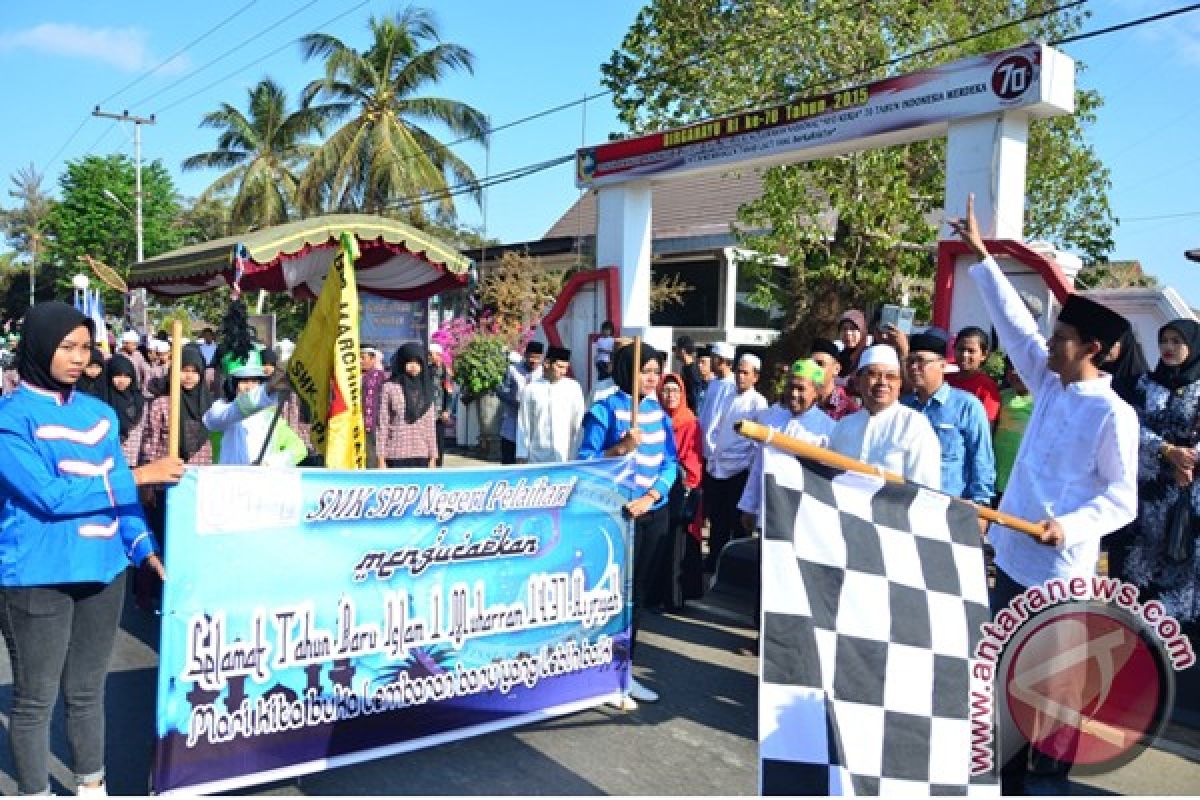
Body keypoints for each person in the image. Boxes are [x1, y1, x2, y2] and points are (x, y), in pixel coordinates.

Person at [949, 195, 1138, 794]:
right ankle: (1002, 778)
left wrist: (1070, 527)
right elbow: (1013, 323)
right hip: (1012, 559)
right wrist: (982, 255)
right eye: (1053, 337)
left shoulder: (1114, 414)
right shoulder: (1051, 385)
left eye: (1063, 339)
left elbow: (1122, 498)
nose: (1049, 345)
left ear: (1096, 350)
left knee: (1048, 688)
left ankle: (1047, 780)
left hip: (1059, 570)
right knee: (1006, 679)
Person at [0, 301, 183, 797]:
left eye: (85, 347)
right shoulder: (10, 418)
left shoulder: (99, 414)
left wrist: (144, 547)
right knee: (36, 700)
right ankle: (34, 792)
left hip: (105, 571)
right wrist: (141, 475)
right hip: (38, 575)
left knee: (86, 692)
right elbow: (48, 496)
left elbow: (120, 498)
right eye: (67, 347)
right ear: (38, 348)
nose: (79, 358)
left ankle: (91, 786)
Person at [577, 342, 678, 709]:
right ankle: (603, 673)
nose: (651, 378)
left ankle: (624, 671)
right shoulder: (604, 410)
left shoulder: (659, 414)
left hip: (652, 512)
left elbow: (670, 463)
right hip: (615, 518)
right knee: (613, 598)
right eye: (644, 371)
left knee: (637, 599)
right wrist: (620, 448)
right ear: (626, 372)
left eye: (655, 371)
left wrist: (651, 496)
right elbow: (585, 463)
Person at [1124, 319, 1200, 624]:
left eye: (1176, 341)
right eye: (1164, 340)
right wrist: (1166, 450)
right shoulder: (1145, 384)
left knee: (1184, 555)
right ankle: (1140, 630)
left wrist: (1189, 460)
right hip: (1151, 485)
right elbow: (1131, 426)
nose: (1168, 348)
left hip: (1190, 486)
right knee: (1145, 554)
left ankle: (1183, 637)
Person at [901, 330, 996, 506]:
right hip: (907, 501)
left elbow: (981, 457)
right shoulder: (903, 407)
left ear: (942, 365)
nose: (914, 368)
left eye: (921, 362)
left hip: (950, 504)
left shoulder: (967, 406)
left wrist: (981, 504)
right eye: (910, 361)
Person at [738, 359, 835, 527]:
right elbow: (759, 466)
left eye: (801, 388)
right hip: (768, 513)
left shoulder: (828, 430)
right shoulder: (771, 420)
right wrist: (749, 506)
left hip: (805, 518)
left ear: (816, 392)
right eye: (791, 387)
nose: (794, 394)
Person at [829, 344, 941, 487]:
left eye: (891, 376)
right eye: (873, 374)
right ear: (858, 381)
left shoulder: (914, 425)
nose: (882, 382)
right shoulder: (844, 426)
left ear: (900, 383)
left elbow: (924, 489)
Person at [701, 352, 767, 572]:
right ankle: (714, 563)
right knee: (717, 520)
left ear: (755, 377)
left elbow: (757, 442)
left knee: (737, 523)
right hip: (718, 467)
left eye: (745, 373)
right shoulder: (727, 395)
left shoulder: (759, 403)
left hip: (740, 471)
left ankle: (736, 569)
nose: (740, 376)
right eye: (739, 371)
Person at [202, 350, 307, 467]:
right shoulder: (218, 411)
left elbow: (299, 449)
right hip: (227, 483)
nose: (250, 387)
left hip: (261, 482)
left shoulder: (271, 418)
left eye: (254, 381)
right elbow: (237, 409)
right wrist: (267, 390)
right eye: (244, 381)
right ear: (231, 384)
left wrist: (269, 463)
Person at [656, 372, 704, 607]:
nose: (670, 395)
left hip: (680, 488)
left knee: (677, 544)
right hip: (656, 487)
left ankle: (674, 598)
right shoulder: (654, 419)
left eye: (675, 391)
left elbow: (694, 459)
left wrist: (688, 485)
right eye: (666, 390)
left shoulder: (690, 423)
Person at [516, 345, 585, 464]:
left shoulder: (573, 388)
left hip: (565, 456)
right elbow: (524, 424)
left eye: (566, 368)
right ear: (547, 363)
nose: (563, 372)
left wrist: (578, 453)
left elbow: (579, 422)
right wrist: (521, 454)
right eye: (560, 367)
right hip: (537, 456)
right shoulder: (531, 389)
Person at [376, 342, 439, 468]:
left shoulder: (427, 390)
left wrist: (433, 456)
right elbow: (382, 424)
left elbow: (430, 426)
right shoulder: (389, 388)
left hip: (422, 454)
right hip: (395, 454)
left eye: (418, 362)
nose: (414, 366)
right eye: (409, 361)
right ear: (401, 363)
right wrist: (380, 457)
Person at [993, 357, 1033, 499]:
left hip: (1023, 474)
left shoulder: (1040, 401)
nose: (1014, 372)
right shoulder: (1000, 396)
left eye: (1020, 368)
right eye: (1011, 368)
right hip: (998, 470)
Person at [498, 341, 544, 465]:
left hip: (534, 428)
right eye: (531, 357)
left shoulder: (543, 373)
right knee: (509, 463)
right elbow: (501, 391)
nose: (533, 361)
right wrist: (515, 402)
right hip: (512, 425)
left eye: (537, 358)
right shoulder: (513, 370)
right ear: (525, 355)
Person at [946, 325, 1002, 424]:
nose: (965, 355)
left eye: (971, 351)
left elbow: (986, 424)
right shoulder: (945, 380)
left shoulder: (987, 387)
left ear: (983, 355)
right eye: (961, 349)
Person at [100, 353, 146, 468]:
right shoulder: (101, 401)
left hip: (132, 460)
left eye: (126, 376)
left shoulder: (138, 401)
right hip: (105, 459)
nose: (122, 380)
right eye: (117, 376)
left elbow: (143, 432)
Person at [808, 337, 860, 420]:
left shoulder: (848, 409)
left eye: (820, 364)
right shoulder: (801, 400)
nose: (814, 369)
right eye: (810, 364)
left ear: (836, 369)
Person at [1101, 327, 1150, 409]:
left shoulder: (1142, 381)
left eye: (1112, 342)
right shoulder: (1098, 371)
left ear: (1124, 344)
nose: (1105, 346)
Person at [360, 345, 388, 468]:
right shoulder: (356, 376)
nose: (359, 361)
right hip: (356, 423)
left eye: (363, 357)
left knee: (371, 458)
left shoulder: (379, 376)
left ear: (372, 359)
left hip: (372, 424)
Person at [429, 343, 455, 467]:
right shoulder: (426, 368)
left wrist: (447, 410)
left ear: (438, 355)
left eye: (431, 354)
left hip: (439, 413)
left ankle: (438, 466)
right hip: (427, 411)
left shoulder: (445, 371)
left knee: (438, 441)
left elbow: (449, 392)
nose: (430, 356)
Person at [835, 309, 869, 378]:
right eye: (844, 329)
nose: (848, 333)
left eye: (853, 329)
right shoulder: (838, 357)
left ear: (862, 331)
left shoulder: (869, 357)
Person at [674, 335, 704, 412]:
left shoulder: (692, 371)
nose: (675, 352)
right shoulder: (686, 368)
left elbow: (695, 396)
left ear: (682, 351)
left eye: (676, 349)